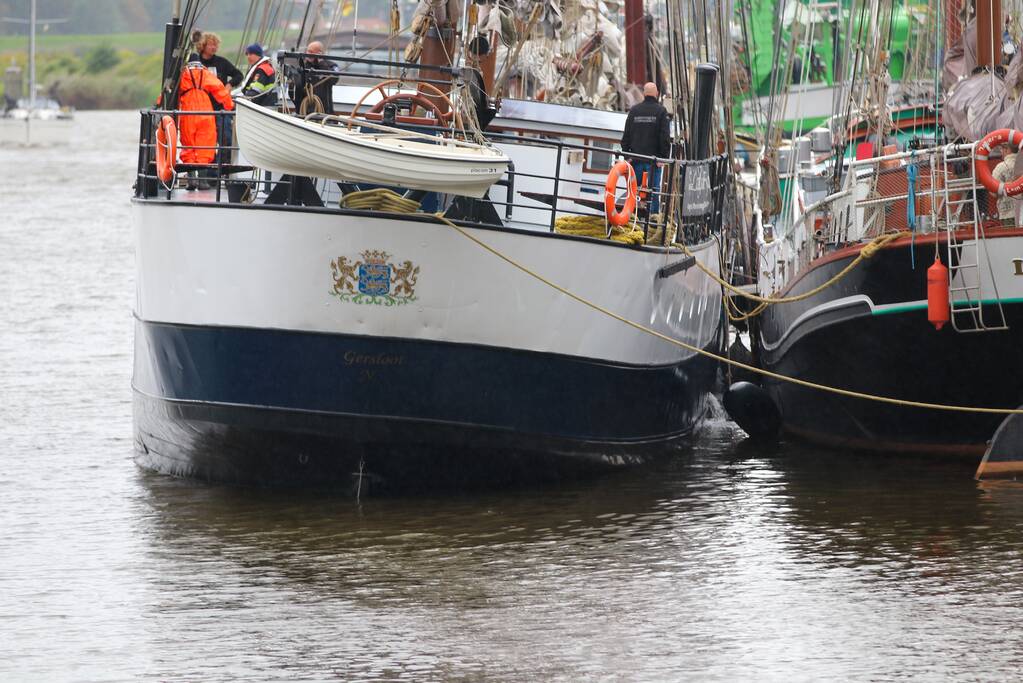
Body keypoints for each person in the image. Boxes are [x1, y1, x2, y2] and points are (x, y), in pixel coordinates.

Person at [178, 53, 235, 190]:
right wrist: (229, 106)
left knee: (188, 145)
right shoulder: (206, 74)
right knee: (204, 146)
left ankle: (192, 180)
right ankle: (203, 181)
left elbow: (171, 92)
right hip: (205, 112)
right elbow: (220, 89)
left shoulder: (183, 75)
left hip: (188, 113)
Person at [621, 82, 670, 213]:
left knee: (633, 191)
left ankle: (631, 215)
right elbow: (664, 137)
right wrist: (663, 157)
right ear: (657, 94)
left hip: (635, 159)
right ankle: (652, 218)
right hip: (654, 161)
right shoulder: (661, 112)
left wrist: (627, 155)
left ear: (643, 93)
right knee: (653, 191)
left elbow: (626, 135)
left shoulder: (634, 111)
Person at [294, 40, 340, 115]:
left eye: (311, 52)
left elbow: (334, 80)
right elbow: (297, 84)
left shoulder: (331, 66)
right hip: (305, 111)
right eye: (308, 51)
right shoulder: (302, 66)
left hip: (324, 111)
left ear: (319, 53)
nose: (308, 54)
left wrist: (322, 63)